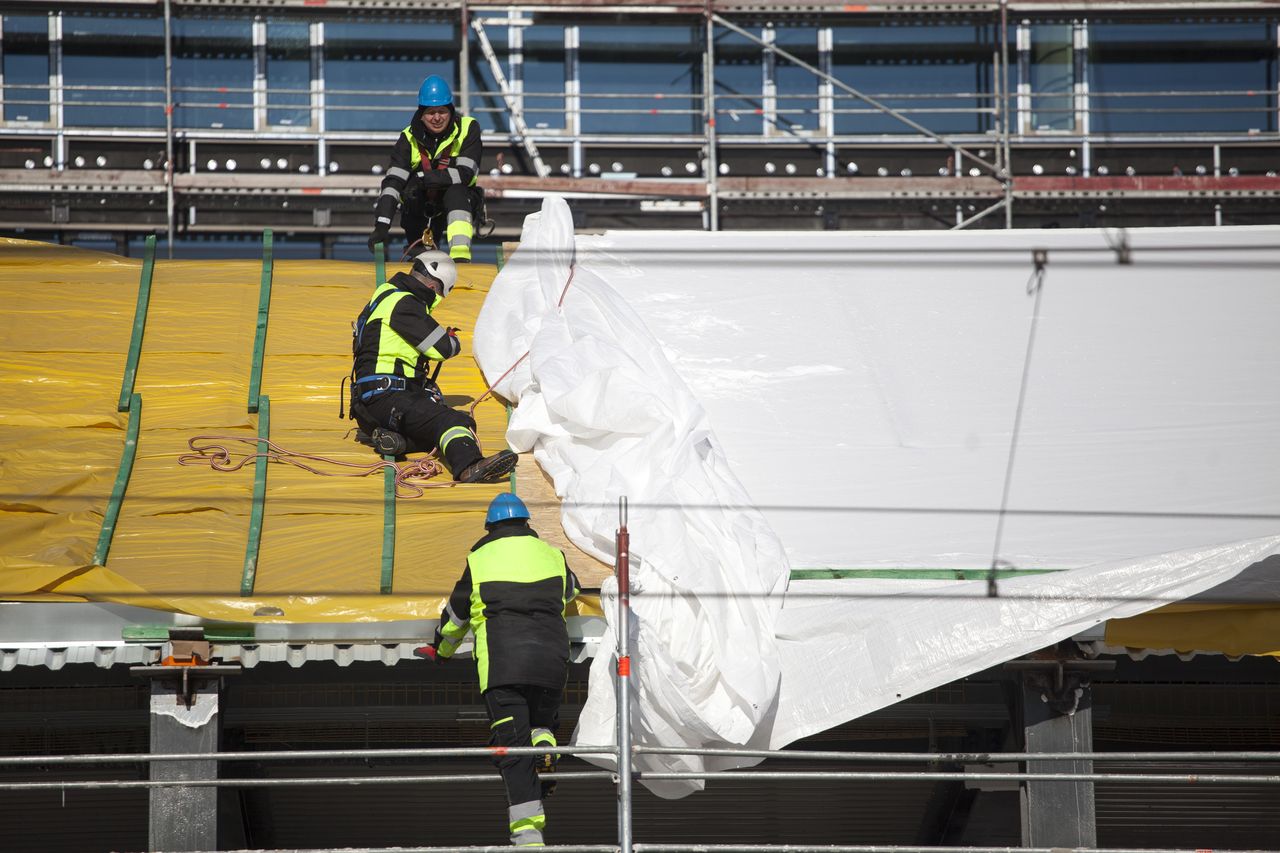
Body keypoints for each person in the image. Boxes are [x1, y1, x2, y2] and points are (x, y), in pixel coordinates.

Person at [416, 493, 581, 847]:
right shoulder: (553, 555)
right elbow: (570, 591)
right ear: (527, 524)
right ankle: (545, 743)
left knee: (512, 747)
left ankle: (528, 833)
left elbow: (456, 617)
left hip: (504, 667)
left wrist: (442, 652)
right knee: (540, 723)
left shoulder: (480, 559)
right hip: (553, 662)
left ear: (490, 527)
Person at [347, 248, 516, 484]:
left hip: (369, 407)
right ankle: (469, 466)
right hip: (389, 398)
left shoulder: (383, 296)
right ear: (434, 287)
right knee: (454, 422)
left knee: (435, 430)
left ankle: (399, 441)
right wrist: (454, 342)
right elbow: (442, 348)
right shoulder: (404, 303)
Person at [368, 74, 484, 263]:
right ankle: (421, 256)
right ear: (421, 115)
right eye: (431, 112)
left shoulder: (468, 128)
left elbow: (465, 174)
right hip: (420, 204)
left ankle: (461, 257)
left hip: (457, 201)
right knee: (410, 192)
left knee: (456, 191)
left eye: (442, 111)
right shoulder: (408, 138)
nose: (437, 118)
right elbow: (393, 183)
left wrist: (425, 178)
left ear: (451, 111)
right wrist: (381, 225)